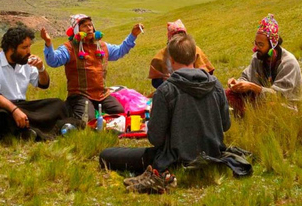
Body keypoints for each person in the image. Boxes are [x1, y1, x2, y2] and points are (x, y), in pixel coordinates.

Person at [99, 34, 231, 193]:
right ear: (196, 57)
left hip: (175, 159)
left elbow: (156, 138)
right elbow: (226, 125)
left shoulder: (166, 90)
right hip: (213, 154)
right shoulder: (215, 84)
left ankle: (163, 176)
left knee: (106, 155)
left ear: (172, 60)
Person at [0, 26, 68, 142]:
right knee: (2, 116)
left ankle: (28, 131)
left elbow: (43, 84)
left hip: (20, 107)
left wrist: (41, 68)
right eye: (24, 47)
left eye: (29, 46)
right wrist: (14, 110)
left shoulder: (25, 62)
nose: (29, 51)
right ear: (11, 48)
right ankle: (35, 131)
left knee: (58, 104)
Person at [41, 14, 143, 119]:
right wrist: (48, 43)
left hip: (101, 94)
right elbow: (53, 61)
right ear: (77, 30)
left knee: (118, 112)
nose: (89, 28)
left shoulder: (102, 46)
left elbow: (119, 51)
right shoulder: (69, 48)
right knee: (88, 118)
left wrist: (133, 35)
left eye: (90, 25)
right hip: (79, 94)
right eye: (85, 26)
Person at [226, 14, 302, 116]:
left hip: (288, 104)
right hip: (264, 99)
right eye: (255, 43)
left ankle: (249, 118)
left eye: (261, 44)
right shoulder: (258, 57)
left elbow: (278, 96)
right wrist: (238, 83)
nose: (256, 48)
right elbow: (246, 77)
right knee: (228, 94)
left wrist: (253, 87)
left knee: (267, 106)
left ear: (273, 45)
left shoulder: (288, 63)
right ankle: (244, 118)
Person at [149, 19, 214, 89]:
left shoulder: (195, 50)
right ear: (170, 38)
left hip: (195, 88)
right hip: (170, 91)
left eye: (182, 35)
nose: (179, 39)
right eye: (175, 37)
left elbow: (207, 74)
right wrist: (164, 81)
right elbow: (155, 82)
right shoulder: (160, 56)